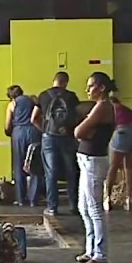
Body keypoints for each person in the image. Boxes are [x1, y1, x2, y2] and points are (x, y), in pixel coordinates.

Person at [73, 72, 116, 263]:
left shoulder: (102, 107)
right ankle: (91, 250)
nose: (87, 90)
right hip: (87, 159)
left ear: (101, 88)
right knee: (84, 207)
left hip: (93, 161)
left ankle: (100, 255)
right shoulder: (100, 108)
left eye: (90, 86)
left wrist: (85, 128)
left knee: (94, 209)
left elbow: (78, 132)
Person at [33, 72, 82, 217]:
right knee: (71, 171)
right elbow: (78, 116)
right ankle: (74, 205)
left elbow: (33, 118)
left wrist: (44, 131)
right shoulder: (71, 96)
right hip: (67, 137)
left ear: (54, 81)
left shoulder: (43, 95)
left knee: (51, 172)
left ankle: (52, 207)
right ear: (66, 82)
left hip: (49, 137)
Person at [104, 92, 132, 211]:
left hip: (122, 132)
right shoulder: (127, 110)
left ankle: (107, 198)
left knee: (113, 166)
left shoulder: (110, 109)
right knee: (129, 167)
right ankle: (129, 198)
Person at [4, 85, 41, 207]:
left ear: (10, 96)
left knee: (19, 166)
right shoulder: (33, 99)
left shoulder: (12, 104)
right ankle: (33, 199)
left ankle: (20, 199)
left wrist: (9, 132)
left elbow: (7, 126)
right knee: (35, 165)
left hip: (18, 133)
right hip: (34, 131)